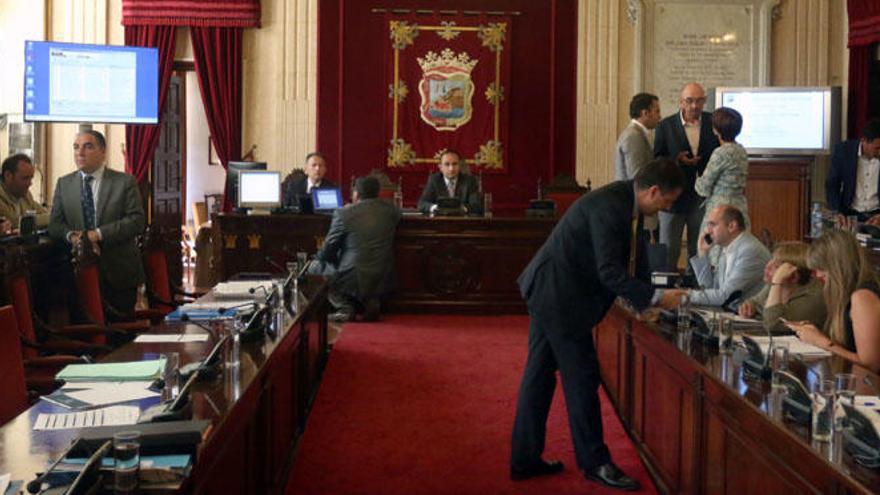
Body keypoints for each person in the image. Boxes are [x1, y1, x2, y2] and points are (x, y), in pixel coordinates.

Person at [511, 158, 687, 491]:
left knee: (538, 376)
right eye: (667, 201)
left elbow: (627, 261)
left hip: (551, 290)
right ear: (652, 191)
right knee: (582, 379)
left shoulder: (624, 200)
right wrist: (655, 298)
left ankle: (525, 459)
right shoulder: (611, 207)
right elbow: (609, 271)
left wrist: (643, 299)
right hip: (561, 299)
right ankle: (596, 463)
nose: (666, 208)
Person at [48, 130, 145, 315]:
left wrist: (97, 234)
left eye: (88, 146)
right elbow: (55, 224)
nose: (80, 153)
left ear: (103, 152)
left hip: (119, 273)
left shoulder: (124, 182)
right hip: (79, 273)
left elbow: (136, 221)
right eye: (76, 147)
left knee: (122, 335)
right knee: (86, 335)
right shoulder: (64, 183)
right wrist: (73, 237)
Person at [785, 230, 880, 372]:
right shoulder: (849, 294)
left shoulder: (862, 297)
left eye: (821, 268)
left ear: (837, 267)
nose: (817, 275)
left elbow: (871, 365)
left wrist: (822, 342)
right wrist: (816, 334)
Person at [310, 175, 401, 322]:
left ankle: (344, 307)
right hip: (384, 274)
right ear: (377, 193)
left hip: (353, 275)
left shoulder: (343, 213)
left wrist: (318, 259)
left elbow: (328, 251)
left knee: (316, 266)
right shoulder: (392, 211)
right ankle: (369, 302)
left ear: (356, 194)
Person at [654, 82, 720, 269]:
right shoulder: (665, 126)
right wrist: (677, 160)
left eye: (699, 101)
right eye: (689, 101)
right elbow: (657, 160)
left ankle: (696, 289)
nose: (694, 106)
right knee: (669, 247)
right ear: (680, 102)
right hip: (671, 197)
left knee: (698, 247)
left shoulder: (712, 122)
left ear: (705, 102)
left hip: (701, 197)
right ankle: (666, 289)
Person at [687, 205, 769, 307]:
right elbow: (711, 289)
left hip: (750, 318)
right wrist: (703, 253)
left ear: (732, 226)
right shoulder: (727, 247)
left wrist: (685, 295)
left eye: (712, 225)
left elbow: (724, 297)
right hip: (731, 315)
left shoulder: (750, 251)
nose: (708, 231)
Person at [738, 241, 826, 334]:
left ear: (793, 276)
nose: (767, 267)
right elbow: (755, 302)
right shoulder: (776, 285)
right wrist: (749, 306)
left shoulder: (814, 297)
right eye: (771, 260)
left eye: (776, 266)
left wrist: (776, 282)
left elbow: (773, 324)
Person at [695, 107, 750, 233]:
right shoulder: (741, 150)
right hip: (739, 207)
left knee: (714, 250)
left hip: (720, 211)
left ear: (716, 130)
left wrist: (696, 178)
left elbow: (703, 188)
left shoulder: (721, 153)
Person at [825, 119, 880, 225]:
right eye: (877, 148)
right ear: (864, 141)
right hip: (850, 215)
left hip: (877, 216)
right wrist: (836, 212)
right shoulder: (843, 151)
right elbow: (832, 184)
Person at [416, 150, 482, 215]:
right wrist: (436, 207)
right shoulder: (434, 180)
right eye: (447, 164)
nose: (451, 168)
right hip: (439, 221)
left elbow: (477, 206)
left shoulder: (469, 180)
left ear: (459, 166)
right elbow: (422, 204)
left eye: (455, 164)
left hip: (463, 222)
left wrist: (460, 208)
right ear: (440, 167)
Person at [615, 92, 661, 180]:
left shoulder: (637, 133)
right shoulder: (633, 136)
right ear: (645, 113)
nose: (660, 117)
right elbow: (636, 177)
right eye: (657, 111)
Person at [0, 153, 49, 233]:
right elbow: (16, 223)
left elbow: (46, 214)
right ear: (8, 175)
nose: (30, 183)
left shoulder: (25, 194)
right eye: (25, 178)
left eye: (31, 178)